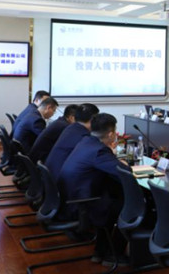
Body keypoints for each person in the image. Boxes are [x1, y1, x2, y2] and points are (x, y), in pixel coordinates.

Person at [57, 113, 130, 263]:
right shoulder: (99, 151)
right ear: (111, 134)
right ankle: (113, 254)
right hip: (80, 205)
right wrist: (122, 162)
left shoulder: (86, 141)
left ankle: (100, 251)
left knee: (116, 195)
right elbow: (125, 172)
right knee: (128, 207)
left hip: (69, 198)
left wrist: (111, 155)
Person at [45, 103, 100, 180]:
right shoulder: (84, 136)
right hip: (60, 179)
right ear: (92, 120)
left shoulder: (71, 128)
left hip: (51, 175)